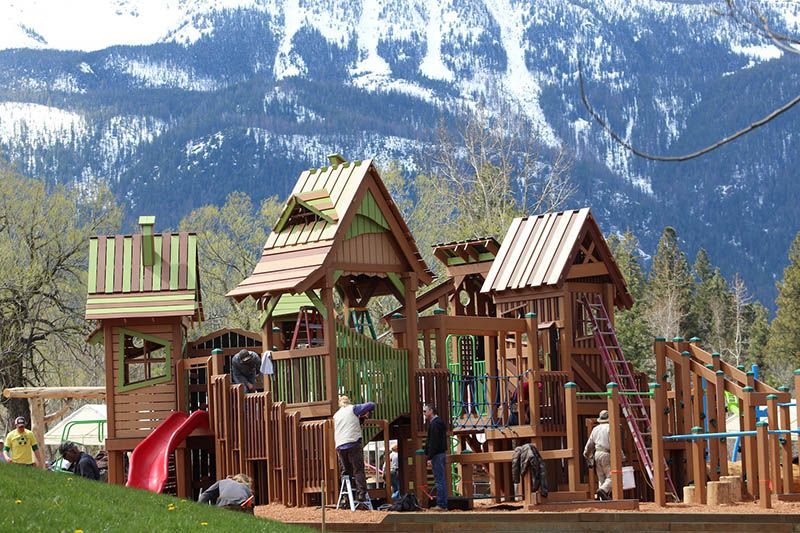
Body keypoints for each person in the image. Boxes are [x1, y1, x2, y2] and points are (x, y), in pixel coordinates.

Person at [333, 395, 375, 506]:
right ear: (349, 402)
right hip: (353, 442)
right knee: (358, 469)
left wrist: (360, 418)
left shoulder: (336, 415)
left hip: (340, 445)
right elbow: (371, 404)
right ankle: (361, 494)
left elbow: (347, 424)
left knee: (346, 471)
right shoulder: (353, 408)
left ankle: (346, 496)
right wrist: (366, 413)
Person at [583, 409, 612, 500]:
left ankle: (602, 499)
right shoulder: (610, 427)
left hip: (597, 454)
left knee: (601, 477)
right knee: (612, 476)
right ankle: (603, 490)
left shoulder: (595, 429)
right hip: (607, 453)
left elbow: (589, 444)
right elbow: (613, 443)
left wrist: (586, 455)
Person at [423, 403, 447, 511]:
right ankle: (442, 503)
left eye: (425, 411)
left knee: (439, 480)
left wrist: (429, 457)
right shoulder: (439, 423)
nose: (424, 413)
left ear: (431, 411)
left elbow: (433, 442)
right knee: (440, 479)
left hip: (437, 455)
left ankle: (441, 504)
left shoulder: (435, 424)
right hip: (440, 453)